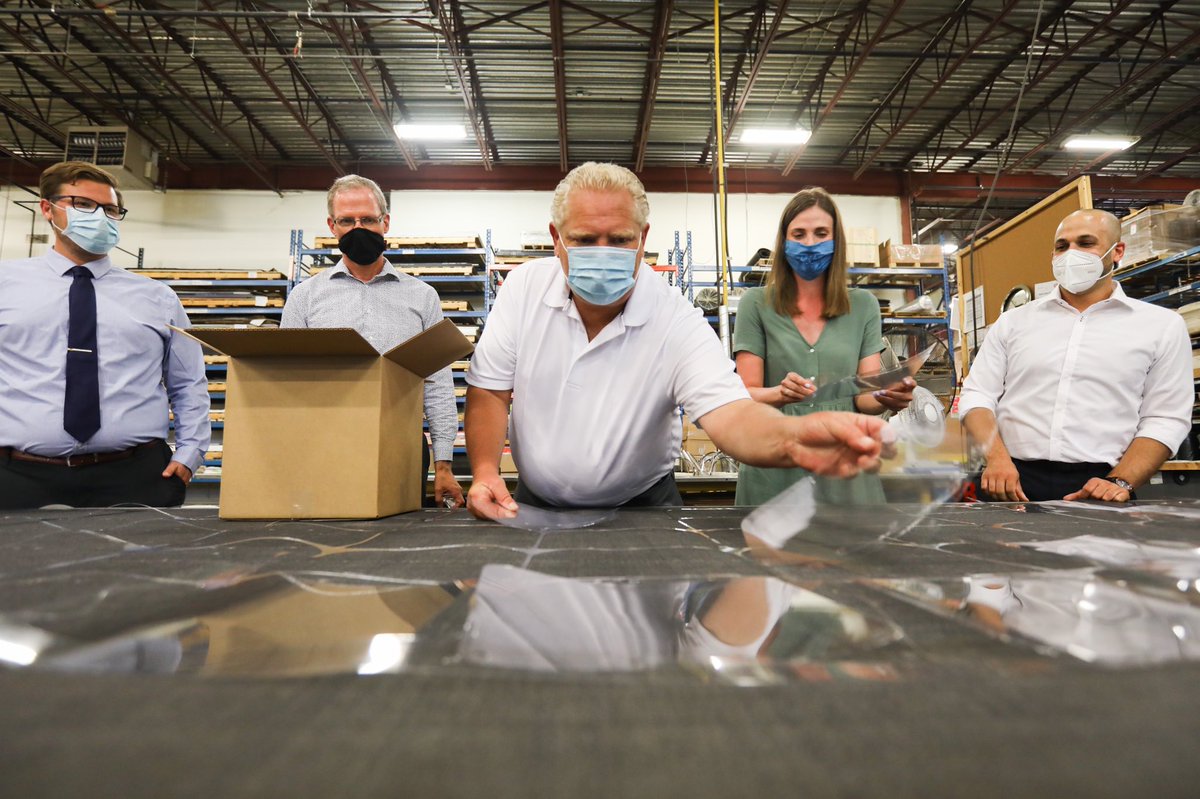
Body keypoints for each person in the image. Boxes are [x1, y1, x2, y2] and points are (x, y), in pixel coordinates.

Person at [464, 162, 890, 521]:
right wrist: (485, 470)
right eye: (583, 240)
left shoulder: (673, 316)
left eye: (620, 240)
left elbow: (732, 414)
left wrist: (794, 437)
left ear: (642, 239)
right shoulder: (523, 291)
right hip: (536, 505)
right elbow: (489, 390)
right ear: (556, 238)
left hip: (643, 508)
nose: (603, 252)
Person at [0, 161, 210, 508]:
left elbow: (188, 383)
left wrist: (190, 453)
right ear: (47, 208)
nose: (99, 217)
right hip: (18, 476)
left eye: (110, 209)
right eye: (83, 204)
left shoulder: (157, 298)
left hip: (135, 476)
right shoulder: (6, 286)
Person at [959, 208, 1192, 503]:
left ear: (1117, 251)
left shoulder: (1160, 326)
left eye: (1085, 243)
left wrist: (1121, 480)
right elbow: (977, 395)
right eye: (1062, 246)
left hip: (1101, 486)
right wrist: (996, 459)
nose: (1071, 253)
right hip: (1010, 481)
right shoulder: (1014, 323)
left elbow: (1166, 417)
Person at [281, 175, 464, 508]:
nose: (358, 228)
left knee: (396, 548)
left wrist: (444, 463)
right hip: (323, 447)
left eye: (367, 219)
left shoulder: (422, 297)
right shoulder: (304, 298)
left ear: (386, 222)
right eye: (347, 221)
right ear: (331, 226)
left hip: (402, 444)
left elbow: (437, 383)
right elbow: (286, 382)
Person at [733, 187, 915, 506]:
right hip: (775, 467)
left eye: (821, 233)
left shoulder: (863, 307)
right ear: (784, 241)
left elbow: (864, 396)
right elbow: (744, 393)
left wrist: (888, 394)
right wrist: (779, 392)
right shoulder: (755, 305)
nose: (809, 244)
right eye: (798, 234)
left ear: (836, 240)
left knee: (850, 553)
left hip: (844, 466)